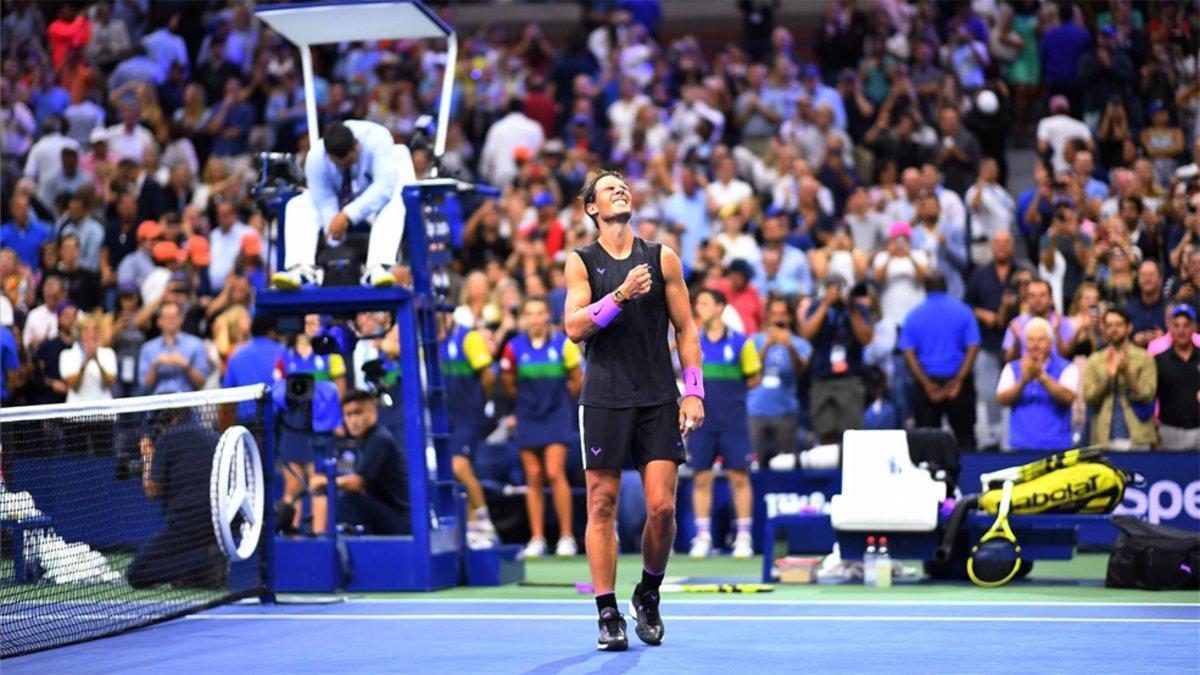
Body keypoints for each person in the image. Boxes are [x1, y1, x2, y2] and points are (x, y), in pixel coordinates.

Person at [564, 170, 704, 651]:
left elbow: (686, 330)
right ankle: (607, 612)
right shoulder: (581, 262)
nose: (620, 189)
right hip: (604, 398)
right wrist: (621, 295)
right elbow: (575, 327)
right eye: (608, 188)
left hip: (658, 398)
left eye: (623, 184)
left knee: (663, 509)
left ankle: (647, 593)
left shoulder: (662, 257)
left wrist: (694, 391)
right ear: (591, 208)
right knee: (601, 504)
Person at [272, 120, 416, 289]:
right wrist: (333, 227)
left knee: (394, 201)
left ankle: (377, 268)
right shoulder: (317, 157)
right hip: (340, 204)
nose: (343, 167)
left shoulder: (377, 139)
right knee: (298, 203)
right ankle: (302, 270)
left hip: (374, 204)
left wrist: (348, 215)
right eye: (338, 164)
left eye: (348, 162)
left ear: (356, 146)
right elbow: (324, 200)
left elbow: (385, 187)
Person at [499, 296, 583, 558]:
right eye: (530, 313)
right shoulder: (513, 348)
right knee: (533, 476)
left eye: (540, 313)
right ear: (524, 318)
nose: (535, 318)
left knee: (555, 472)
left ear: (548, 316)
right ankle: (537, 538)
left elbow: (577, 381)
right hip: (527, 415)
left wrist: (555, 402)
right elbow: (509, 384)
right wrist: (528, 404)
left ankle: (566, 537)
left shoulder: (564, 345)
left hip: (556, 415)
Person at [686, 288, 761, 559]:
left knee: (739, 476)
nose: (699, 308)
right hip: (701, 421)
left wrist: (731, 392)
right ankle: (703, 536)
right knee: (701, 476)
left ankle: (743, 536)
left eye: (705, 303)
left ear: (720, 307)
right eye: (698, 304)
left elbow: (754, 377)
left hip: (733, 420)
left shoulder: (743, 343)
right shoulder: (693, 343)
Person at [128, 408, 227, 589]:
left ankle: (203, 563)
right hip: (218, 525)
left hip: (184, 525)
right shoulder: (213, 435)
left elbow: (152, 490)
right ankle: (202, 565)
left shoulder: (168, 438)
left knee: (136, 573)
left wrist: (148, 454)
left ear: (166, 417)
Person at [309, 391, 412, 535]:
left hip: (400, 521)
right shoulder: (365, 440)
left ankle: (343, 545)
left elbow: (357, 483)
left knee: (350, 500)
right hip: (387, 514)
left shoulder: (379, 439)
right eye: (348, 415)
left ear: (373, 413)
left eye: (358, 413)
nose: (353, 420)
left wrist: (324, 481)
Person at [439, 312, 500, 549]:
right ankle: (472, 527)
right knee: (453, 472)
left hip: (467, 414)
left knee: (459, 465)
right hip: (444, 415)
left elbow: (488, 376)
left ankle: (484, 520)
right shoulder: (429, 339)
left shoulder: (469, 338)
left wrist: (478, 403)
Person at [900, 273, 980, 449]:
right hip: (958, 384)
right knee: (965, 439)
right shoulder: (963, 311)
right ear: (946, 287)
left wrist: (926, 384)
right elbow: (973, 346)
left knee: (925, 443)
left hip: (927, 385)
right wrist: (958, 381)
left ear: (925, 289)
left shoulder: (913, 315)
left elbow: (907, 352)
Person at [801, 274, 873, 444]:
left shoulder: (857, 309)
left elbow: (866, 338)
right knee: (824, 431)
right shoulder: (817, 307)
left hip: (849, 379)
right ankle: (829, 470)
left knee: (852, 435)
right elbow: (806, 333)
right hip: (822, 379)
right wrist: (826, 304)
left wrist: (851, 308)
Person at [996, 317, 1079, 450]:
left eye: (1041, 340)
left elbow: (1068, 397)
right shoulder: (1012, 367)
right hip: (1020, 446)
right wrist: (1023, 380)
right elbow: (1001, 399)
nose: (1035, 345)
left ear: (1050, 342)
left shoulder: (1067, 367)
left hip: (1057, 446)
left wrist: (1041, 376)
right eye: (1030, 340)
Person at [1082, 307, 1158, 450]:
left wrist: (1126, 372)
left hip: (1138, 436)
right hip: (1103, 438)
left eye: (1118, 325)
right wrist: (1107, 377)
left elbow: (1147, 395)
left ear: (1129, 327)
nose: (1113, 330)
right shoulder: (1095, 360)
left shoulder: (1144, 358)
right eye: (1109, 325)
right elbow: (1089, 397)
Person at [748, 295, 811, 465]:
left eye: (783, 313)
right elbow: (750, 370)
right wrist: (767, 345)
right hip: (756, 410)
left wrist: (789, 346)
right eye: (774, 313)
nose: (778, 317)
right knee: (754, 465)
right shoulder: (755, 340)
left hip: (785, 411)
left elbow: (801, 371)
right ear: (768, 316)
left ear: (789, 316)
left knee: (784, 464)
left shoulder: (800, 343)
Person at [137, 300, 208, 394]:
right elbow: (144, 387)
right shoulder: (148, 348)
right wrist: (155, 366)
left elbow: (202, 383)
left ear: (181, 319)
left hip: (187, 403)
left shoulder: (196, 344)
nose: (170, 320)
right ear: (159, 321)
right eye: (166, 317)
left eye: (174, 316)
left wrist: (186, 365)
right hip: (158, 403)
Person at [1154, 305, 1199, 451]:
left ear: (1193, 328)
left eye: (1186, 326)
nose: (1181, 330)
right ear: (1170, 328)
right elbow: (1151, 396)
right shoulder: (1159, 360)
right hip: (1169, 431)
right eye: (1177, 325)